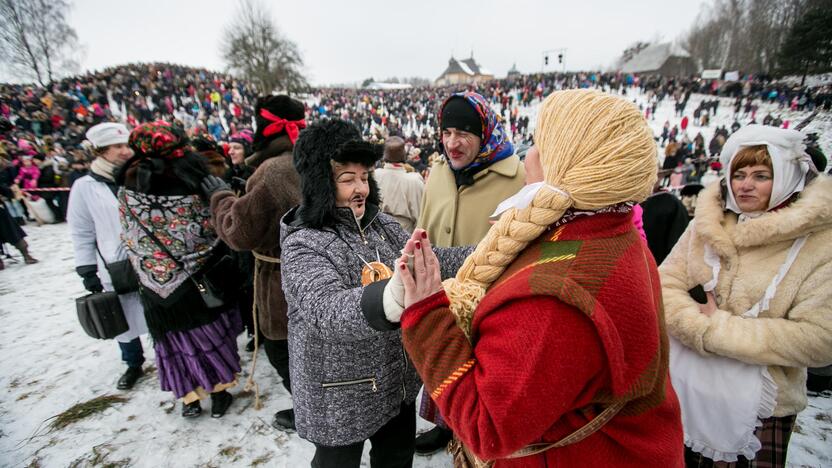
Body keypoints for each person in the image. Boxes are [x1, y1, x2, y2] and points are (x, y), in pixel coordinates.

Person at [389, 89, 684, 467]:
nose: (529, 153)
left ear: (570, 162)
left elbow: (487, 426)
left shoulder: (556, 296)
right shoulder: (609, 229)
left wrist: (427, 316)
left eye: (541, 145)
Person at [279, 118, 471, 468]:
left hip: (394, 385)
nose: (361, 189)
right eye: (347, 179)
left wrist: (487, 250)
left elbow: (431, 261)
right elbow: (326, 310)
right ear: (320, 183)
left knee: (397, 459)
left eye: (365, 177)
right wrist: (393, 296)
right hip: (338, 397)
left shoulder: (380, 224)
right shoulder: (303, 243)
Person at [660, 125, 832, 466]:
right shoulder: (706, 225)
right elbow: (664, 284)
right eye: (739, 174)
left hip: (759, 410)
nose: (746, 184)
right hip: (686, 385)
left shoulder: (819, 243)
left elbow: (819, 337)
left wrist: (717, 330)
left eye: (761, 175)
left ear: (786, 177)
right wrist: (693, 322)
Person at [414, 91, 525, 453]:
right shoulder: (439, 173)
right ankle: (446, 426)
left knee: (480, 376)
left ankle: (475, 438)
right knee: (442, 360)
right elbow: (425, 223)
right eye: (446, 132)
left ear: (485, 132)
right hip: (441, 290)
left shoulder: (517, 177)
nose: (452, 143)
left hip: (490, 297)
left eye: (463, 132)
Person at [117, 121, 241, 418]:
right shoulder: (192, 178)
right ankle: (219, 391)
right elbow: (213, 230)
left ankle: (188, 398)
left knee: (171, 341)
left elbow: (129, 233)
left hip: (152, 282)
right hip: (195, 279)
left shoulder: (126, 186)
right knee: (207, 335)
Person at [202, 95, 306, 431]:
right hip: (316, 271)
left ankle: (310, 410)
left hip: (280, 279)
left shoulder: (271, 171)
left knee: (283, 351)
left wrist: (221, 198)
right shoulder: (314, 158)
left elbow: (238, 233)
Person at [67, 122, 148, 389]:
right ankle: (133, 362)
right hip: (115, 263)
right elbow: (81, 231)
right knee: (123, 317)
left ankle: (170, 357)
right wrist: (87, 269)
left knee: (157, 312)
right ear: (101, 151)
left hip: (150, 258)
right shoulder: (84, 187)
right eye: (117, 147)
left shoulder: (139, 175)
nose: (125, 151)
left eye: (127, 145)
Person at [373, 136, 424, 232]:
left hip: (379, 232)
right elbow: (420, 218)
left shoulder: (375, 175)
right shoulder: (414, 181)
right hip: (404, 236)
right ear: (404, 154)